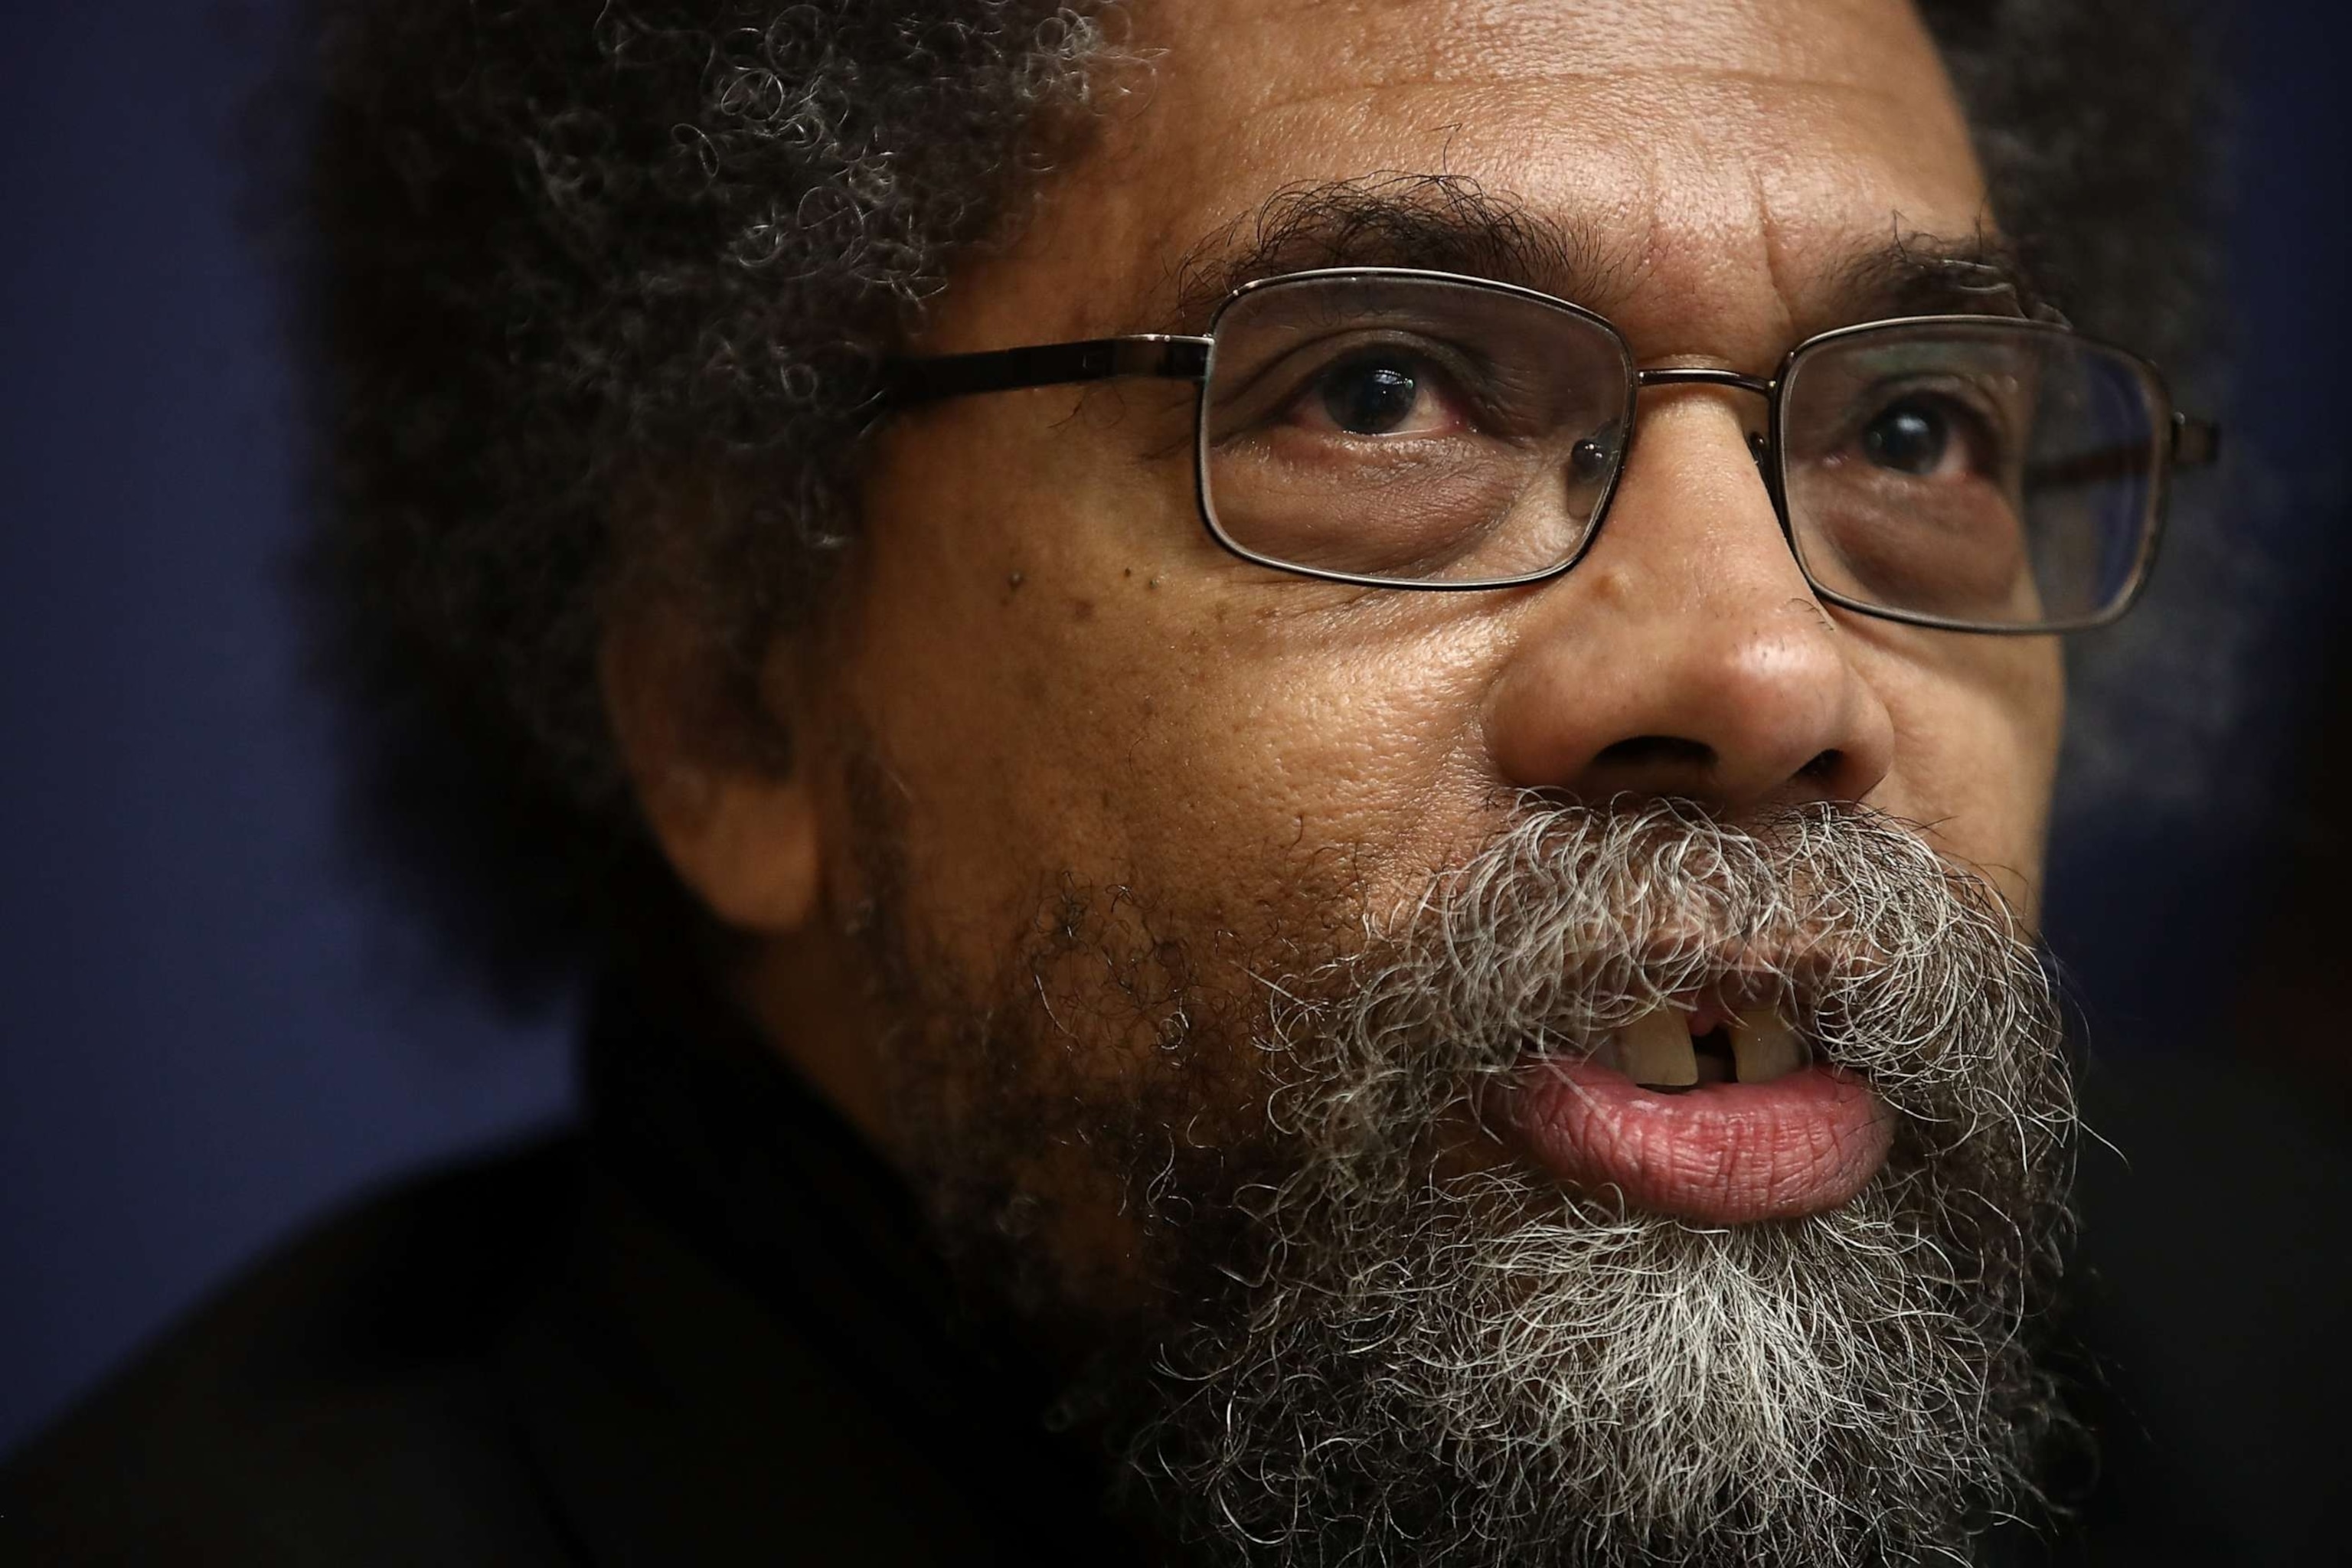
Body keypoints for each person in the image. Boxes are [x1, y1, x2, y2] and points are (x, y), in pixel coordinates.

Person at [1, 0, 2220, 1562]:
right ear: (732, 696)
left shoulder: (2277, 1366)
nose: (1768, 664)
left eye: (1915, 432)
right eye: (1376, 390)